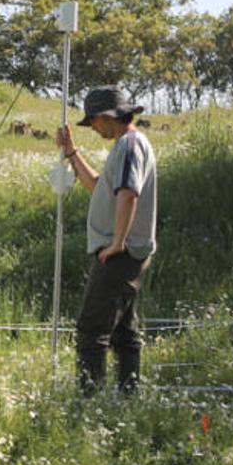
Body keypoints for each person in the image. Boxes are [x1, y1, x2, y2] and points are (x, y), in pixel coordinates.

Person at [56, 85, 157, 397]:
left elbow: (128, 194)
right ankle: (128, 398)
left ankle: (89, 404)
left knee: (91, 331)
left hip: (119, 254)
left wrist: (116, 243)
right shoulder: (127, 145)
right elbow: (100, 187)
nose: (94, 128)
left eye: (94, 121)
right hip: (127, 252)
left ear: (107, 116)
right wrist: (72, 153)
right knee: (124, 334)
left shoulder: (129, 145)